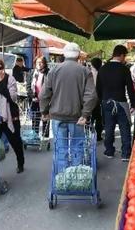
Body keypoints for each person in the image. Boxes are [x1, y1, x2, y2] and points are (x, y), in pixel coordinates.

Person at [39, 42, 97, 170]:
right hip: (77, 117)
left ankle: (62, 179)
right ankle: (75, 177)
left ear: (64, 54)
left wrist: (44, 112)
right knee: (77, 148)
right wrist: (85, 114)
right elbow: (91, 95)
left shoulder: (54, 70)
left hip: (57, 117)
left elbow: (43, 95)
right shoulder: (85, 71)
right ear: (78, 56)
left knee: (60, 148)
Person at [96, 45, 135, 161]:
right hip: (121, 102)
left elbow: (98, 88)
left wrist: (101, 102)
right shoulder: (124, 69)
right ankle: (126, 153)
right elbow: (130, 89)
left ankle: (109, 151)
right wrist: (133, 104)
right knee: (125, 128)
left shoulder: (103, 69)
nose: (125, 58)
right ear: (122, 55)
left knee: (108, 128)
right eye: (125, 56)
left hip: (106, 102)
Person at [26, 56, 50, 137]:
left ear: (44, 63)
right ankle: (34, 136)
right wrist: (32, 96)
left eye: (41, 62)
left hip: (45, 101)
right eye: (37, 62)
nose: (39, 64)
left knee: (45, 119)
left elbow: (50, 87)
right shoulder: (32, 72)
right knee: (35, 119)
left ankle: (45, 137)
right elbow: (28, 86)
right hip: (34, 100)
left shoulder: (48, 73)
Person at [90, 57, 103, 141]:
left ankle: (90, 133)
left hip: (89, 99)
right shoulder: (102, 73)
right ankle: (98, 135)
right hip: (99, 98)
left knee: (90, 117)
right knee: (99, 117)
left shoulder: (88, 73)